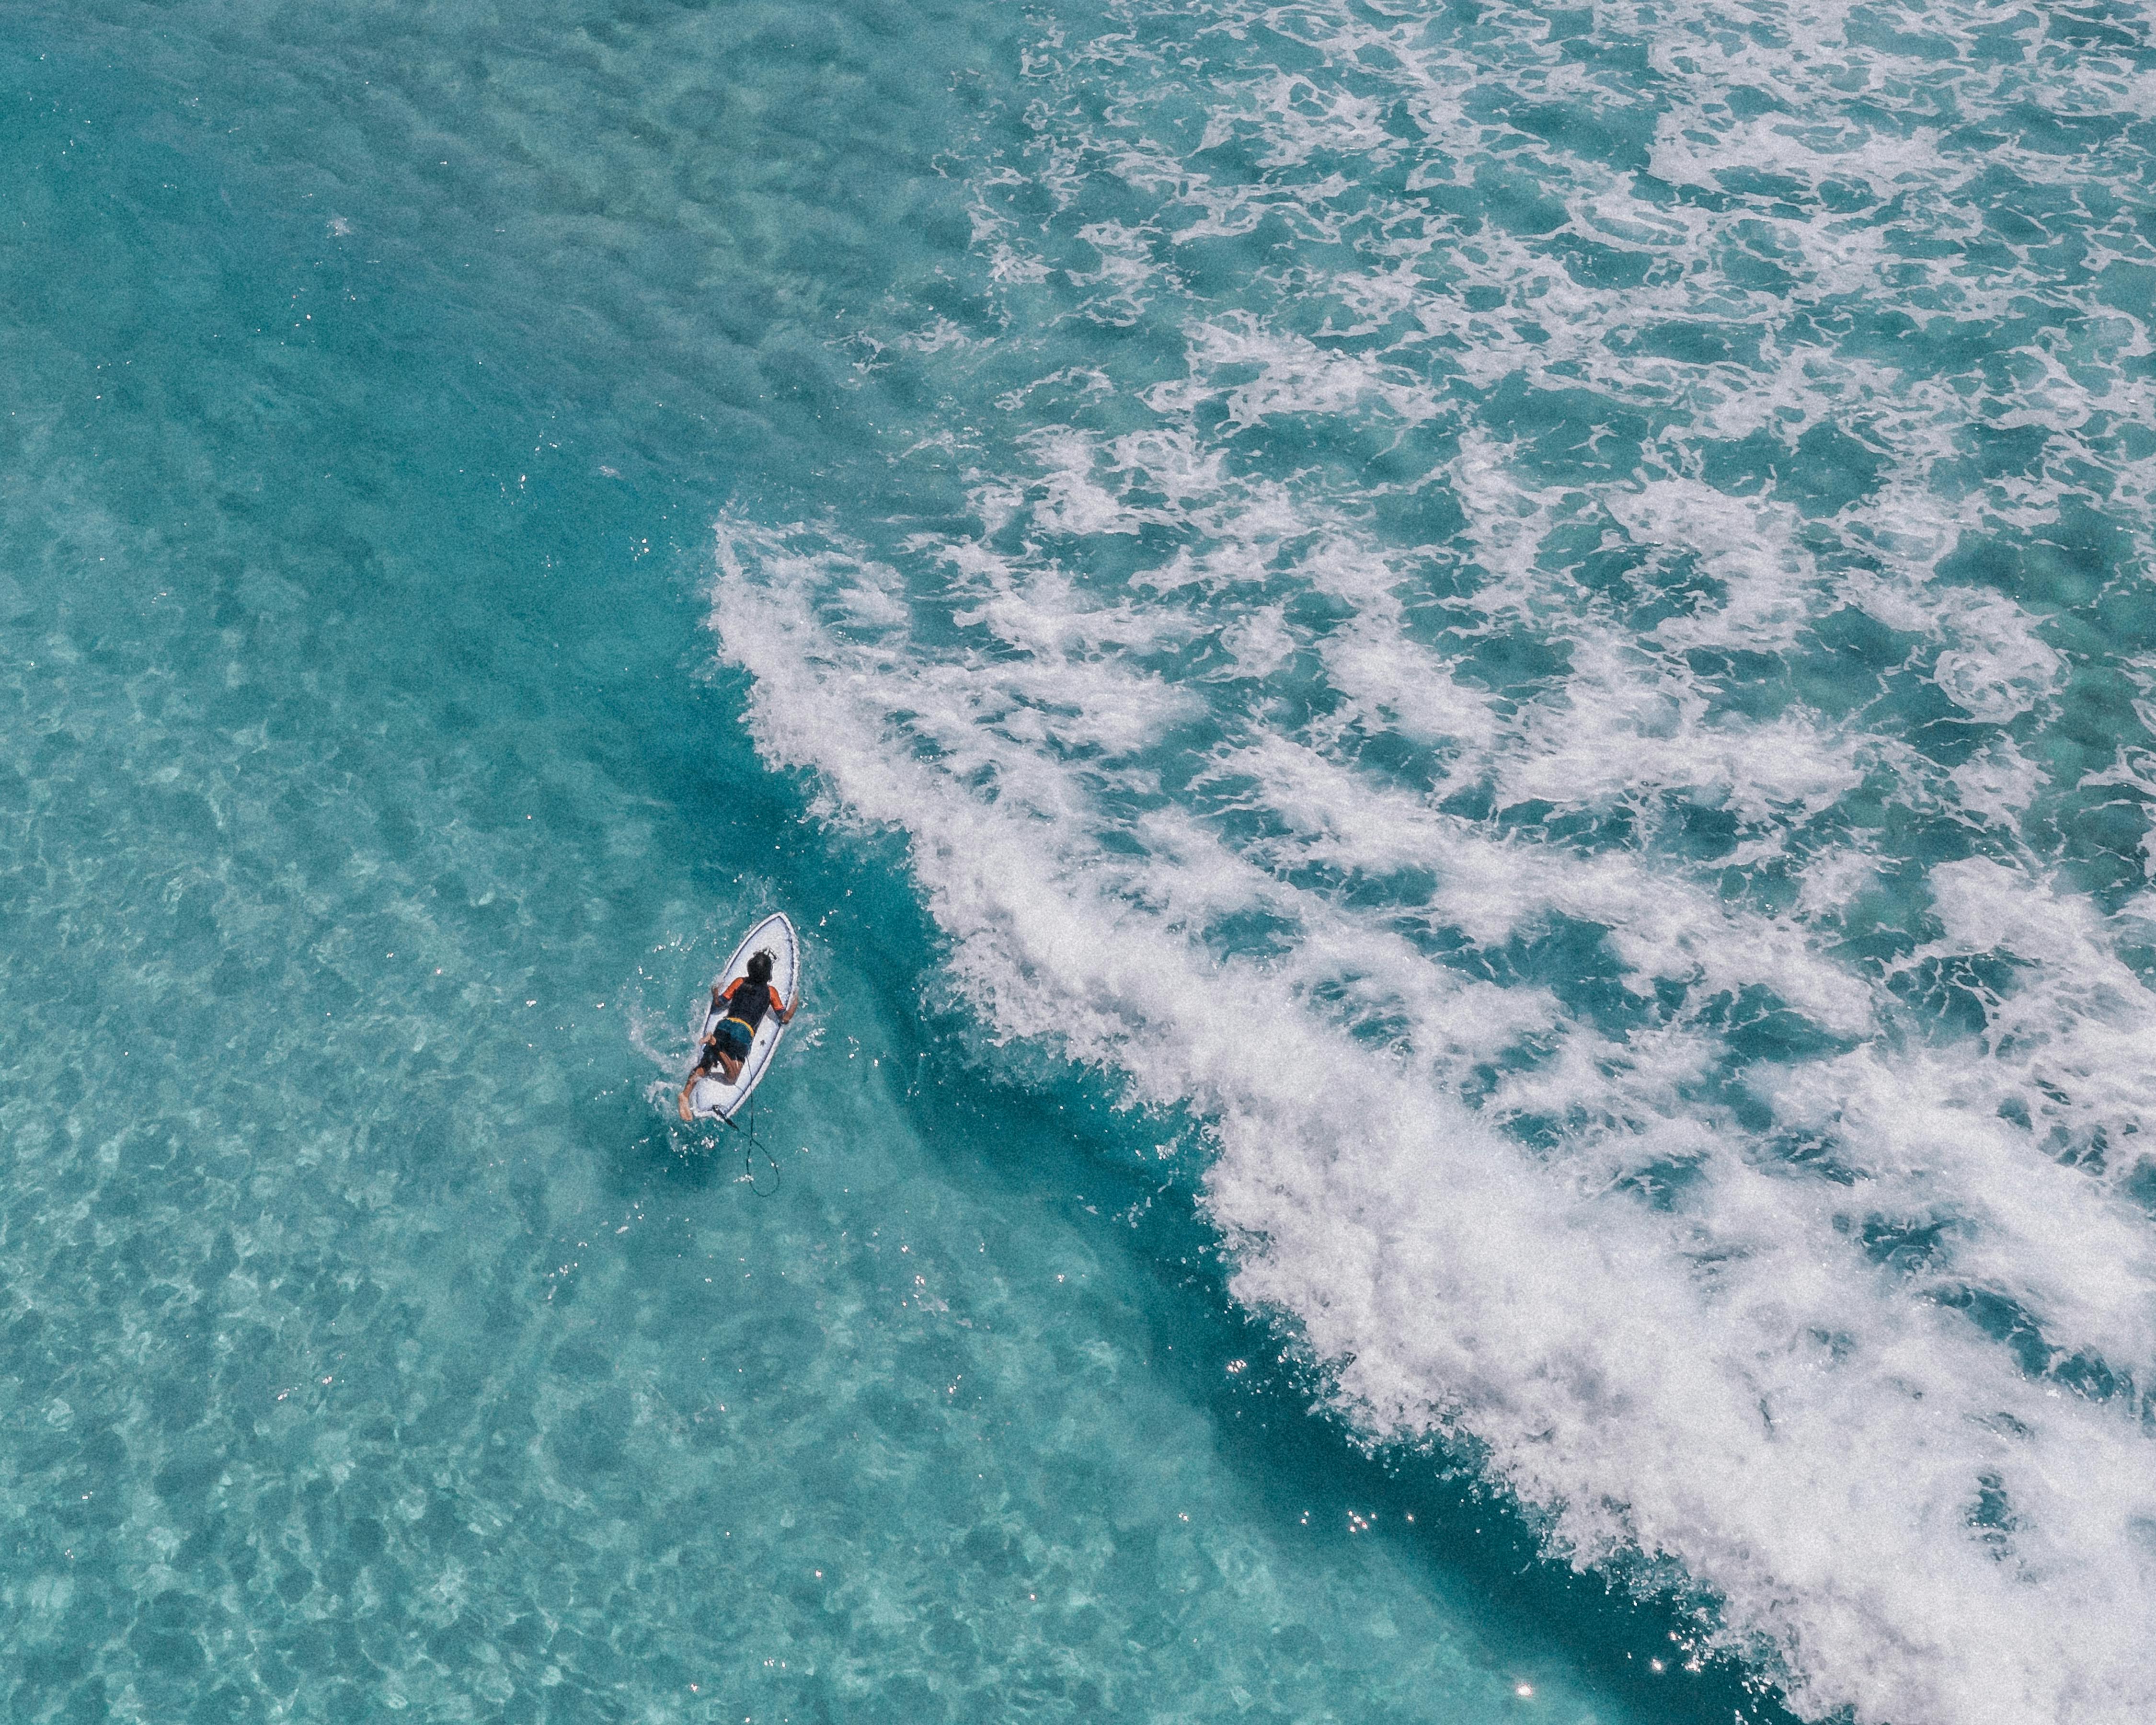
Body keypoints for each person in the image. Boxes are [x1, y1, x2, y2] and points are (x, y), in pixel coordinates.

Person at [678, 949, 797, 1121]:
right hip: (743, 1032)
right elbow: (784, 1018)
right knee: (732, 1076)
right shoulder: (771, 992)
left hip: (725, 1025)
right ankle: (716, 1046)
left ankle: (685, 1094)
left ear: (749, 969)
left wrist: (715, 992)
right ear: (768, 974)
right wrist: (795, 1003)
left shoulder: (739, 982)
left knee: (707, 1063)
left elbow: (720, 1004)